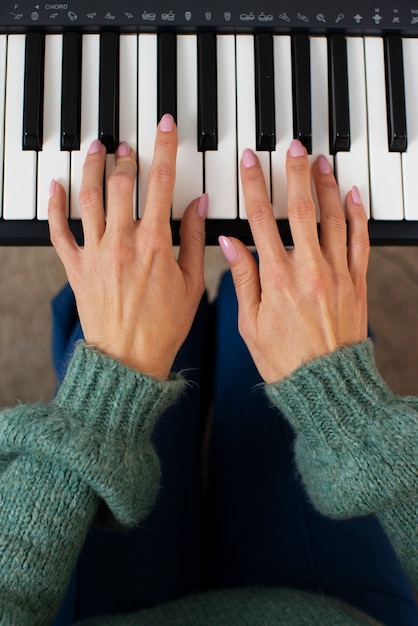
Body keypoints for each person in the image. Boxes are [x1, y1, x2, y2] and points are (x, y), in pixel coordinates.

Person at [0, 112, 418, 626]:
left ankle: (174, 306)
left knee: (140, 291)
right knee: (284, 286)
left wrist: (107, 386)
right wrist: (343, 401)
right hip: (339, 609)